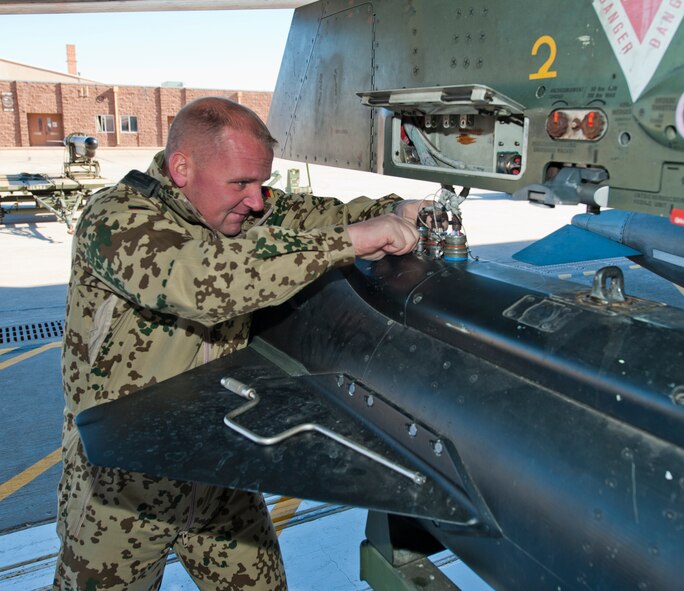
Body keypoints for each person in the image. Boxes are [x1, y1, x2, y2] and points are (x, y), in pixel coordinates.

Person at [55, 96, 425, 590]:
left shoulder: (244, 211)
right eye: (241, 183)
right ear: (182, 168)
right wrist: (349, 242)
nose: (256, 201)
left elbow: (326, 216)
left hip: (219, 470)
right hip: (122, 485)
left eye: (261, 183)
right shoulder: (117, 218)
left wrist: (396, 211)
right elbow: (200, 281)